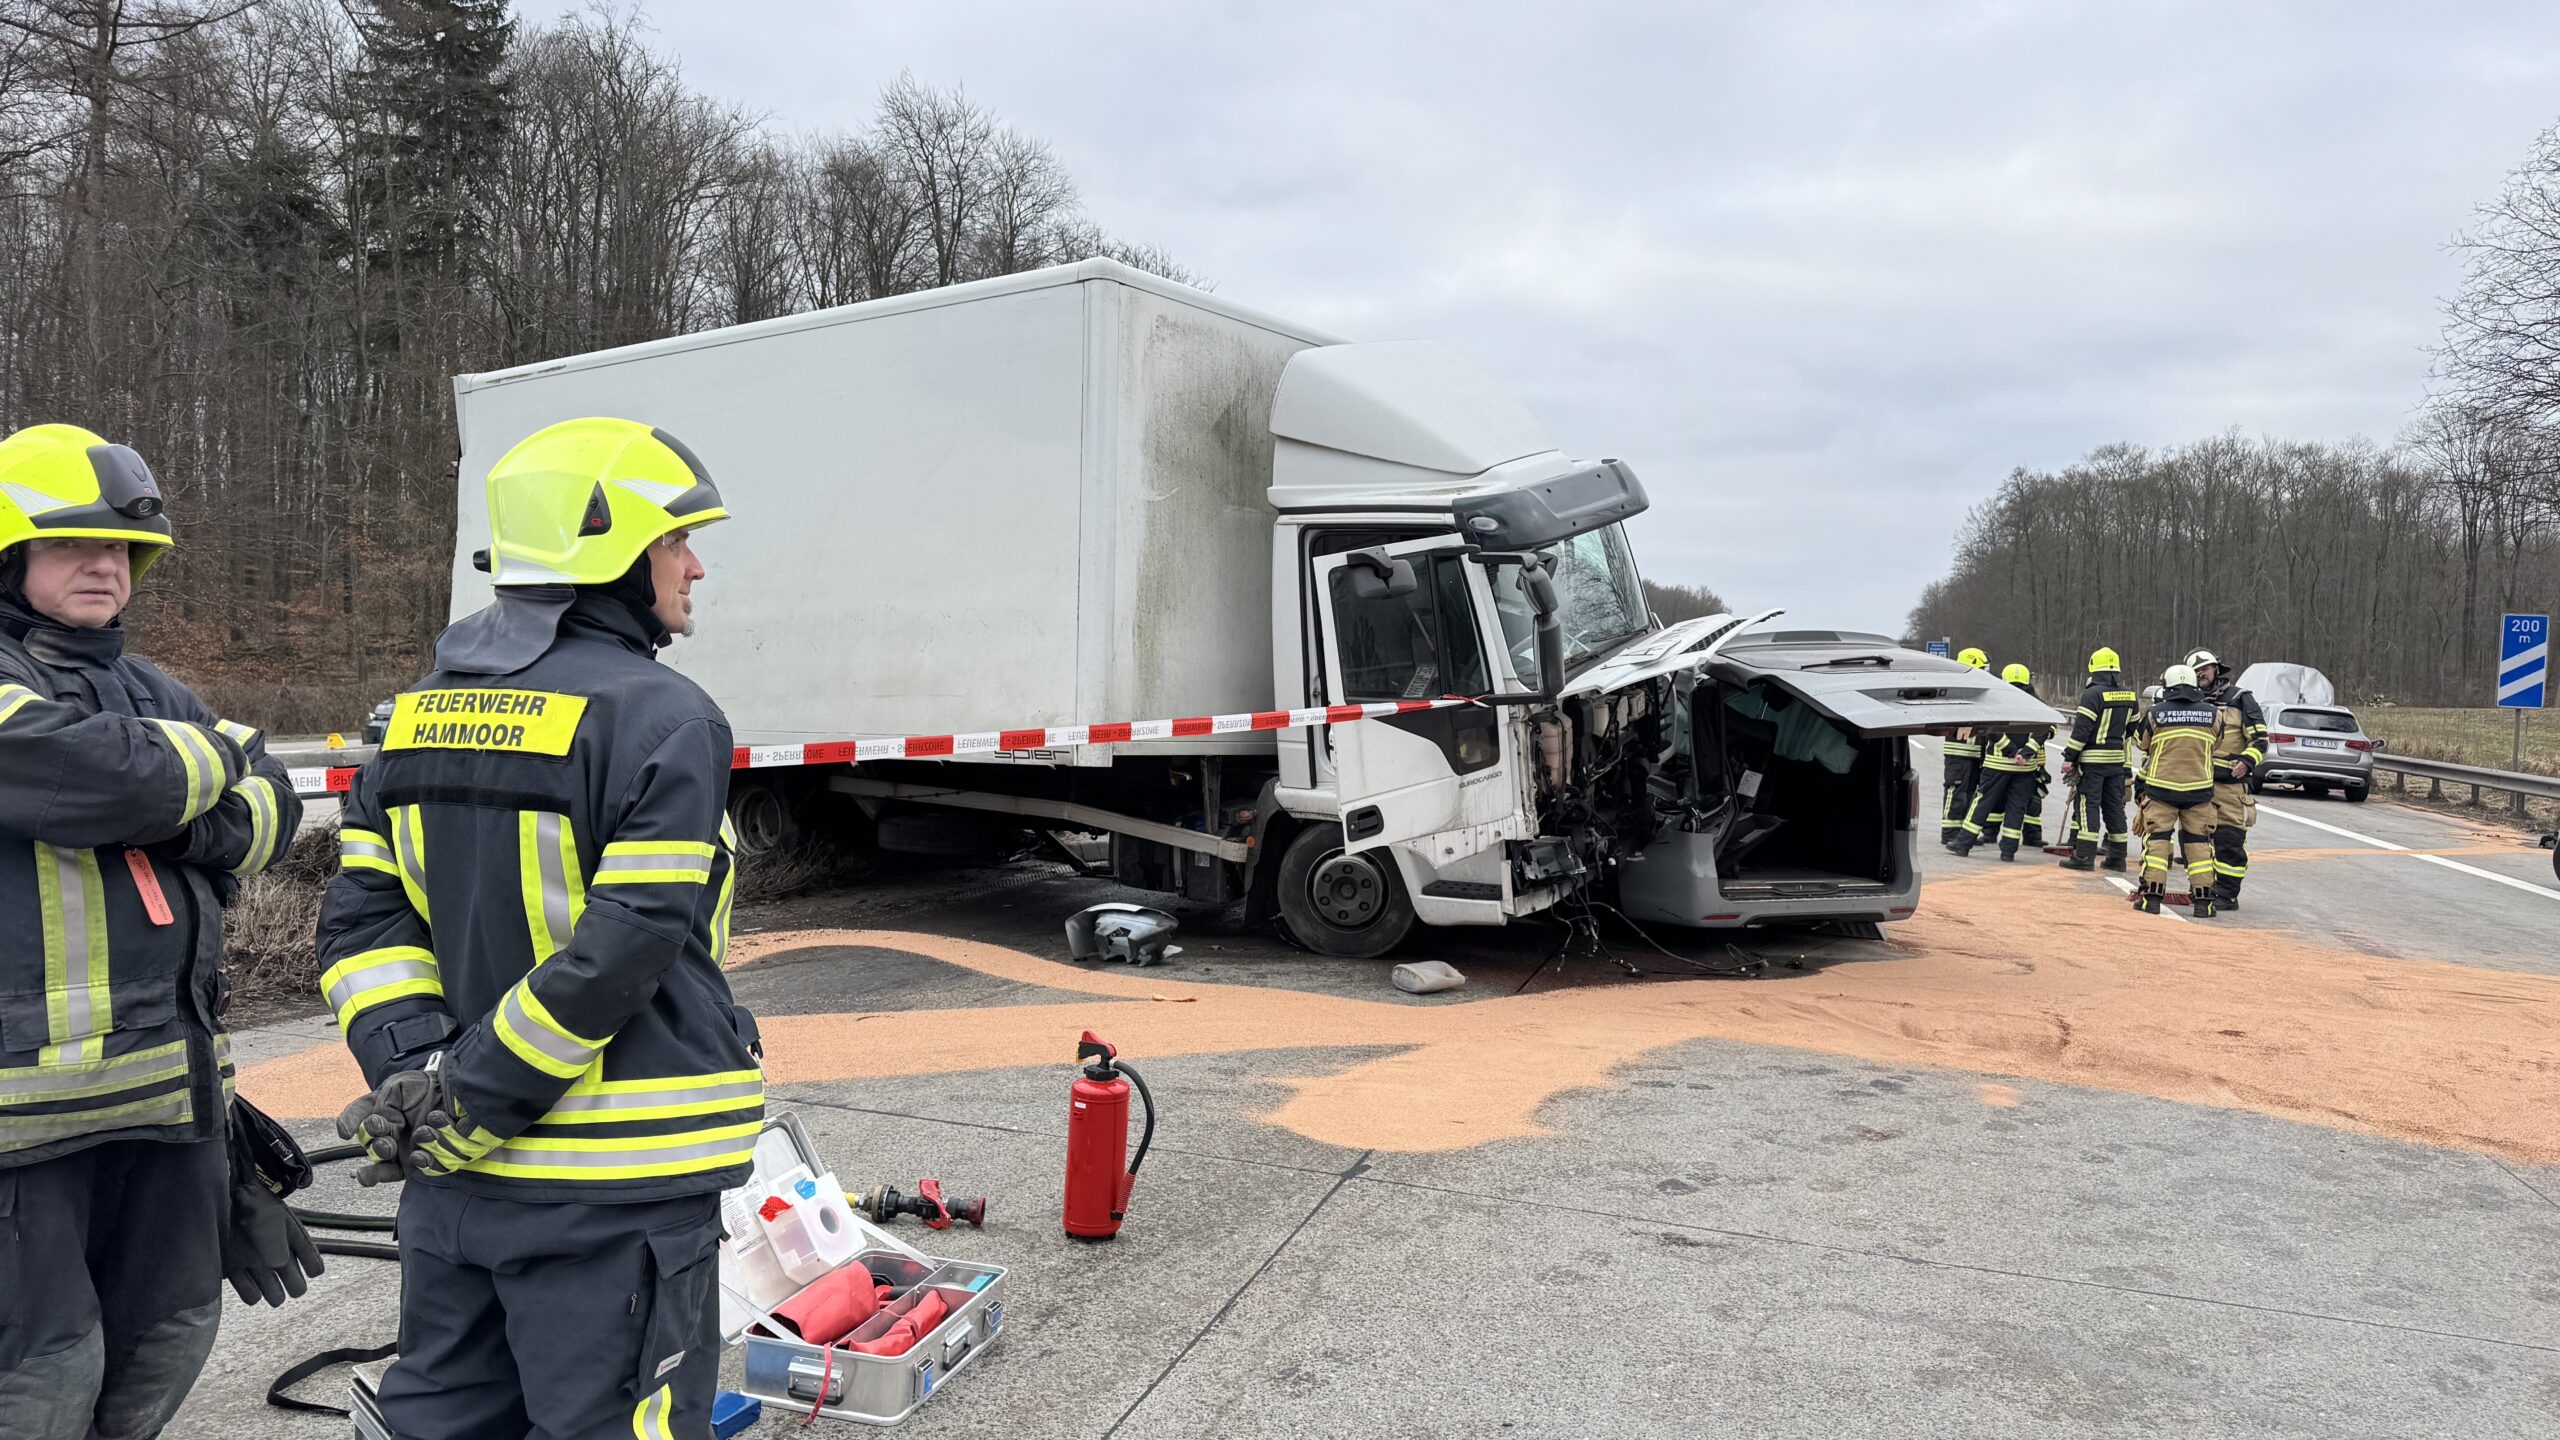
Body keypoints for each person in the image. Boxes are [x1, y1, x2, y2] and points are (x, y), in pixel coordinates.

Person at [316, 417, 758, 1439]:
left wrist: (416, 1077)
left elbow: (362, 926)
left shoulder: (413, 717)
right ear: (612, 550)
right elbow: (624, 949)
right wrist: (468, 1098)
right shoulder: (666, 718)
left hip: (453, 1192)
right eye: (675, 540)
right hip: (615, 1195)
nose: (694, 566)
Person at [0, 424, 311, 1439]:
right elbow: (115, 775)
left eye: (123, 547)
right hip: (20, 1132)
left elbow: (272, 807)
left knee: (168, 1342)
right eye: (72, 544)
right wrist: (188, 775)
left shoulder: (150, 689)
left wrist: (172, 806)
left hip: (171, 1112)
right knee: (42, 1382)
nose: (106, 564)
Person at [2126, 664, 2230, 915]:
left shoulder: (2156, 713)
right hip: (2199, 791)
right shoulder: (2213, 714)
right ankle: (2203, 903)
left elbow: (2141, 743)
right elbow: (2218, 743)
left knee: (2157, 843)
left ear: (2167, 686)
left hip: (2161, 790)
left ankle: (2151, 899)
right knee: (2199, 846)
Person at [2185, 648, 2267, 909]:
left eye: (2205, 669)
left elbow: (2261, 740)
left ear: (2216, 670)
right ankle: (2201, 888)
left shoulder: (2240, 699)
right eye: (2196, 671)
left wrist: (2247, 761)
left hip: (2229, 786)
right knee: (2195, 840)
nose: (2201, 674)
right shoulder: (2185, 700)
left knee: (2229, 840)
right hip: (2194, 784)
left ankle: (2227, 895)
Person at [1946, 663, 2048, 861]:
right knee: (2017, 808)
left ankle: (1963, 844)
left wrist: (2010, 750)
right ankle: (2008, 852)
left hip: (1997, 765)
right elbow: (2044, 730)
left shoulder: (1997, 699)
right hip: (2025, 767)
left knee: (1982, 803)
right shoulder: (2036, 702)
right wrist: (2026, 753)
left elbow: (1990, 728)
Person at [2057, 646, 2140, 872]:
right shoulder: (2130, 695)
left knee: (2088, 805)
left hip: (2092, 762)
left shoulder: (2092, 694)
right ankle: (2117, 858)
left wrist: (2069, 757)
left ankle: (2084, 856)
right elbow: (2133, 726)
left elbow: (2081, 730)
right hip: (2116, 762)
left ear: (2094, 668)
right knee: (2114, 807)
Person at [1940, 646, 1990, 843]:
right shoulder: (1956, 689)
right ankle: (1949, 832)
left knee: (1969, 792)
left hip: (1975, 751)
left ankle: (1962, 832)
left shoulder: (1977, 689)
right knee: (1955, 791)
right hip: (1958, 751)